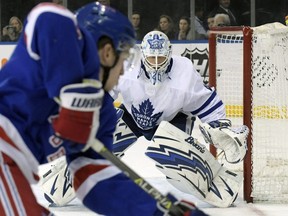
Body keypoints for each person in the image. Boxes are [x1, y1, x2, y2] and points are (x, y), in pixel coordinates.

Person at [0, 2, 207, 216]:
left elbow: (97, 181)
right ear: (107, 53)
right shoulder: (51, 36)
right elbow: (46, 15)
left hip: (13, 170)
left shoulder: (102, 113)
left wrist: (157, 211)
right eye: (124, 60)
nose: (123, 72)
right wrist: (76, 96)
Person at [110, 30, 249, 208]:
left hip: (173, 120)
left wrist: (219, 125)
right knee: (99, 141)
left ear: (169, 54)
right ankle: (71, 174)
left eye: (161, 58)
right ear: (143, 55)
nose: (156, 64)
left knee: (178, 168)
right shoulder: (125, 66)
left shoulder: (184, 71)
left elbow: (206, 101)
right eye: (152, 58)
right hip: (132, 116)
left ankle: (219, 183)